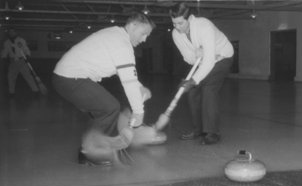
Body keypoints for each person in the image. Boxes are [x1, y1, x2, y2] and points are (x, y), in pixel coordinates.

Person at [52, 12, 155, 165]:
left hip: (66, 77)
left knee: (102, 111)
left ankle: (92, 147)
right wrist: (139, 112)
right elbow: (128, 81)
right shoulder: (122, 43)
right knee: (110, 108)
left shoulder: (116, 34)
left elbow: (126, 75)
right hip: (70, 78)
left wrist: (139, 87)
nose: (144, 39)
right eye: (143, 33)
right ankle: (91, 153)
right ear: (133, 25)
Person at [169, 2, 234, 145]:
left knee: (209, 90)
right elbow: (189, 59)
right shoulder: (176, 34)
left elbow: (210, 60)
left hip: (223, 57)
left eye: (180, 23)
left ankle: (212, 133)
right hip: (203, 61)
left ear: (189, 18)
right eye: (174, 23)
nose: (177, 27)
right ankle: (198, 130)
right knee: (193, 93)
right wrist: (197, 54)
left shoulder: (204, 26)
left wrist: (193, 80)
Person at [1, 28, 40, 97]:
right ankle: (11, 92)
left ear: (15, 32)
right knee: (10, 77)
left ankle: (35, 91)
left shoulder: (21, 40)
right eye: (10, 32)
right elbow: (5, 51)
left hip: (22, 60)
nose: (11, 33)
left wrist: (28, 55)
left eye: (12, 31)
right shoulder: (7, 42)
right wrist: (3, 58)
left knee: (28, 76)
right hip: (12, 61)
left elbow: (26, 48)